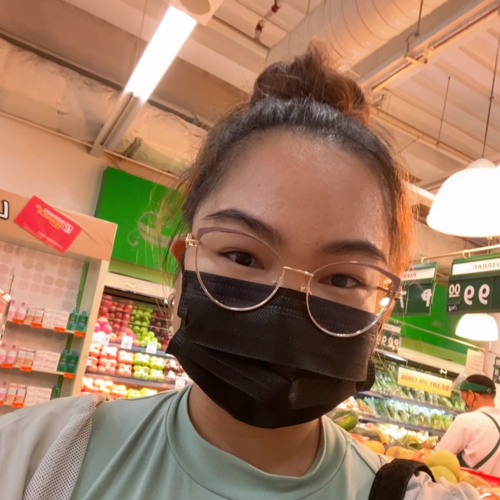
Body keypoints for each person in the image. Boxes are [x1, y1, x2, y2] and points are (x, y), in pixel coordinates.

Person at [0, 45, 479, 500]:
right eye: (243, 257)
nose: (285, 308)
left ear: (383, 310)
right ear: (183, 267)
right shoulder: (32, 460)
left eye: (343, 279)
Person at [436, 374, 500, 477]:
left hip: (469, 486)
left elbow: (439, 457)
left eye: (463, 398)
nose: (465, 404)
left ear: (470, 395)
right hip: (496, 487)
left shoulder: (466, 420)